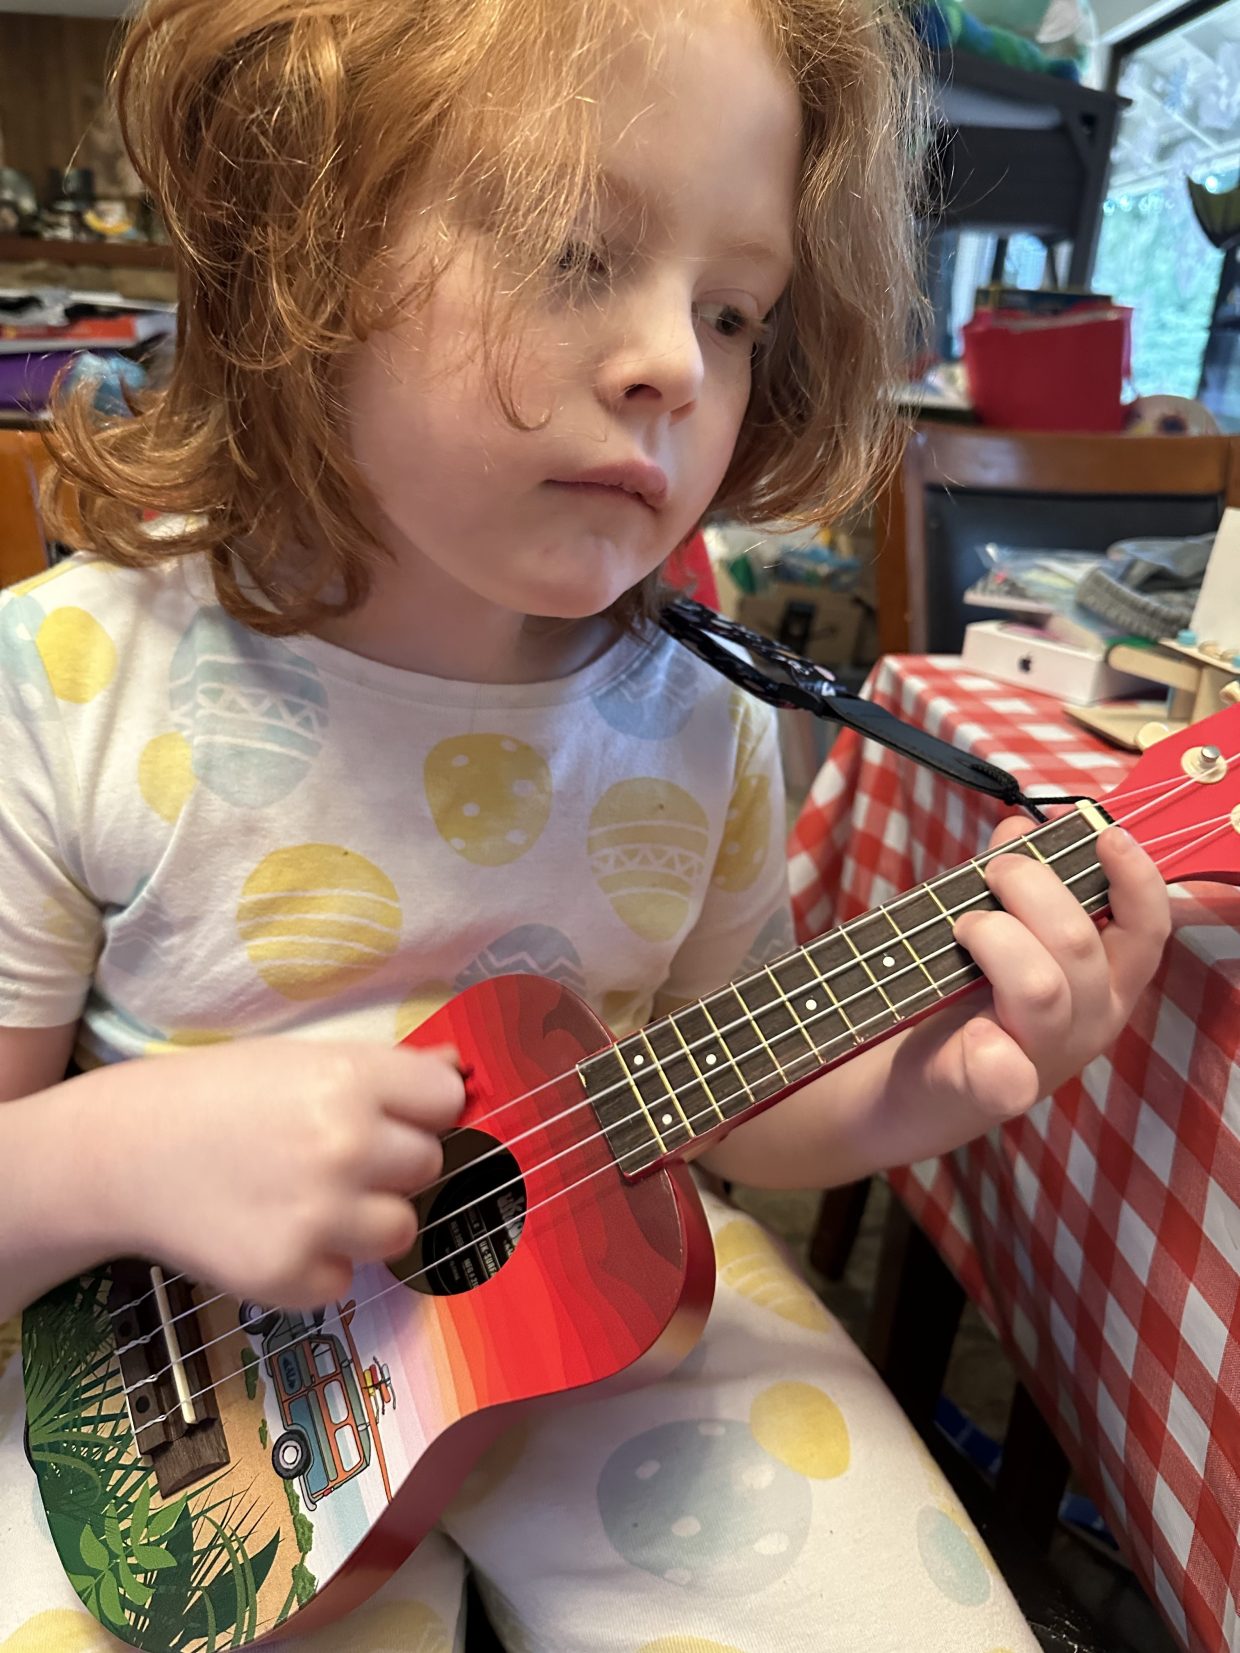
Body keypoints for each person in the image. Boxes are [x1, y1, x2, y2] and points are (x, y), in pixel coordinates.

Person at [0, 0, 1171, 1648]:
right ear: (299, 241)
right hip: (167, 1412)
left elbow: (726, 1093)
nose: (677, 365)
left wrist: (941, 1084)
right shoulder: (71, 679)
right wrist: (120, 1150)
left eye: (734, 309)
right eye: (572, 249)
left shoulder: (702, 716)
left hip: (613, 1331)